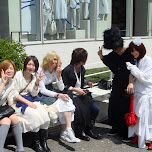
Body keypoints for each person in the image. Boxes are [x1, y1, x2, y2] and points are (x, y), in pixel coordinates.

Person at [97, 27, 135, 142]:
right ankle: (115, 127)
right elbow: (110, 63)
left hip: (127, 83)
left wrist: (130, 83)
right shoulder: (114, 53)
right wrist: (101, 56)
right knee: (114, 105)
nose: (116, 51)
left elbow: (132, 69)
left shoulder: (129, 52)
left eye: (117, 49)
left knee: (125, 107)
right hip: (117, 82)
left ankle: (125, 132)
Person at [38, 51, 80, 143]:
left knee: (67, 99)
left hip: (51, 91)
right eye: (53, 59)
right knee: (63, 101)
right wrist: (58, 95)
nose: (55, 62)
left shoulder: (54, 70)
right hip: (41, 94)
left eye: (56, 59)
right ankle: (65, 132)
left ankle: (68, 130)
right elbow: (42, 90)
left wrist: (58, 76)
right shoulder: (40, 71)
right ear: (48, 59)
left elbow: (61, 88)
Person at [12, 56, 51, 152]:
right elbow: (14, 94)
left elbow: (34, 94)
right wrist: (28, 103)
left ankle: (43, 141)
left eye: (33, 65)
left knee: (44, 113)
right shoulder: (17, 75)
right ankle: (35, 142)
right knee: (34, 115)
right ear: (25, 64)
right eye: (29, 64)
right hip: (18, 103)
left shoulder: (33, 77)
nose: (31, 67)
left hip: (31, 100)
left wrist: (37, 82)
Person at [62, 48, 100, 141]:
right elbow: (64, 87)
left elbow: (79, 80)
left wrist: (87, 83)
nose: (86, 60)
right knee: (80, 110)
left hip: (82, 93)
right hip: (72, 95)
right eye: (85, 58)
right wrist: (75, 90)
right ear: (79, 59)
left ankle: (88, 128)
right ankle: (79, 131)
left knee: (95, 108)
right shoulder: (67, 70)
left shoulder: (82, 68)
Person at [126, 38, 152, 149]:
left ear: (140, 49)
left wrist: (132, 69)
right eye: (131, 51)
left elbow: (147, 78)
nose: (133, 53)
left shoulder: (147, 60)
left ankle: (150, 138)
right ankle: (138, 134)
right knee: (137, 115)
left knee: (147, 117)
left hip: (146, 93)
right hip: (137, 92)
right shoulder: (137, 60)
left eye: (134, 50)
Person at [0, 60, 24, 152]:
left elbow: (10, 100)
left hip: (1, 108)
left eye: (11, 68)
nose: (9, 71)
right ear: (2, 70)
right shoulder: (1, 81)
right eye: (6, 69)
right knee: (6, 121)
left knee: (14, 118)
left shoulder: (11, 82)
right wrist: (3, 83)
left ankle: (20, 148)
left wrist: (12, 110)